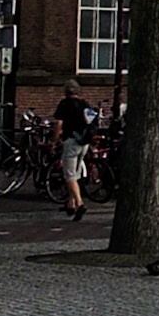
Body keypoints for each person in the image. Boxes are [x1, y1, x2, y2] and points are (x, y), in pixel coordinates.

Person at [51, 87, 97, 219]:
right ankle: (70, 204)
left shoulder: (65, 104)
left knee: (69, 175)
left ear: (66, 92)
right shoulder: (84, 104)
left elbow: (58, 123)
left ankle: (80, 203)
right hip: (84, 142)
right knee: (75, 174)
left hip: (71, 141)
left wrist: (54, 141)